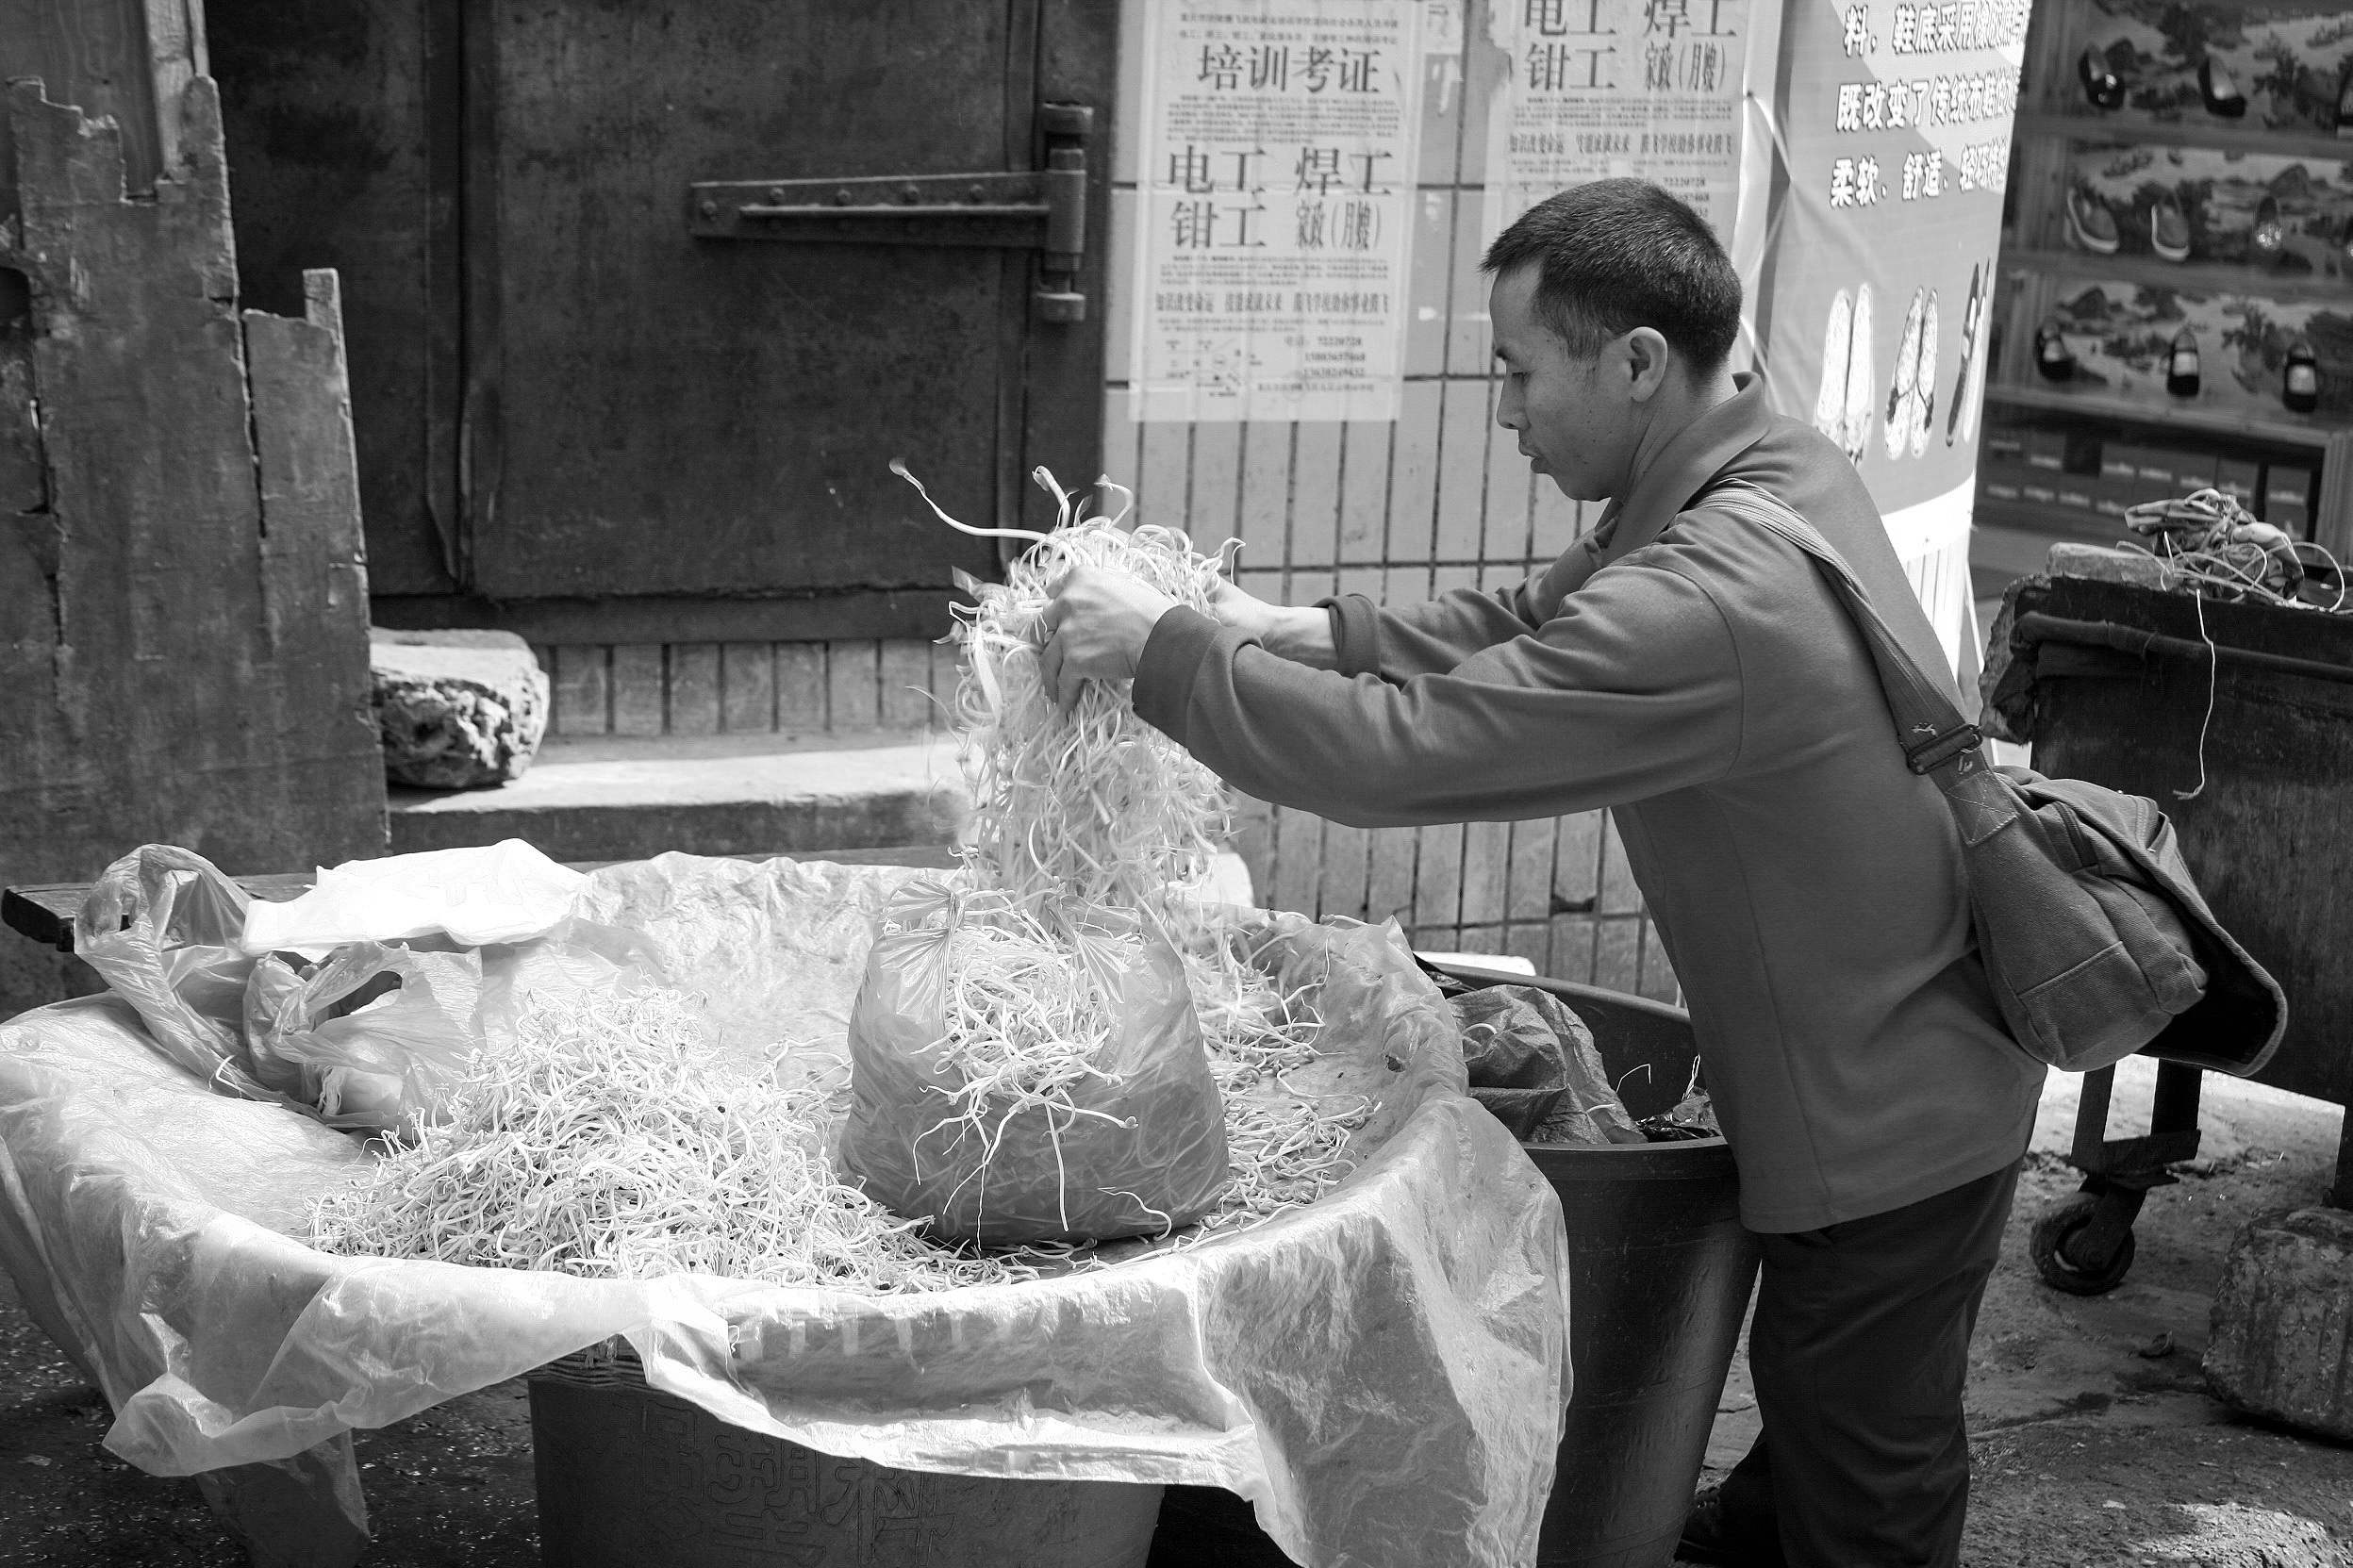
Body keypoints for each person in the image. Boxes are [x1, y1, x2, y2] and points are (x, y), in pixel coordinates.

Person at [1037, 178, 2045, 1568]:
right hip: (1906, 1056)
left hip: (1884, 1123)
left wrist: (1164, 651)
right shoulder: (1763, 471)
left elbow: (1411, 754)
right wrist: (1300, 626)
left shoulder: (1709, 599)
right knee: (1818, 1449)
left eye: (1520, 373)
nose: (1506, 411)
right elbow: (1533, 626)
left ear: (1638, 361)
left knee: (1872, 1496)